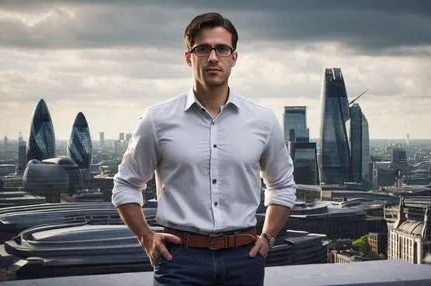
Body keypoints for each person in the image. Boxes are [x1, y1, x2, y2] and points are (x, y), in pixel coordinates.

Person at [112, 12, 296, 286]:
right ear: (189, 57)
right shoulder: (157, 119)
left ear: (234, 58)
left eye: (222, 48)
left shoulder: (263, 121)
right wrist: (146, 237)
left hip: (244, 259)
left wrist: (267, 238)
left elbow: (282, 186)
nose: (213, 57)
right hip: (179, 261)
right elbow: (125, 185)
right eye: (203, 49)